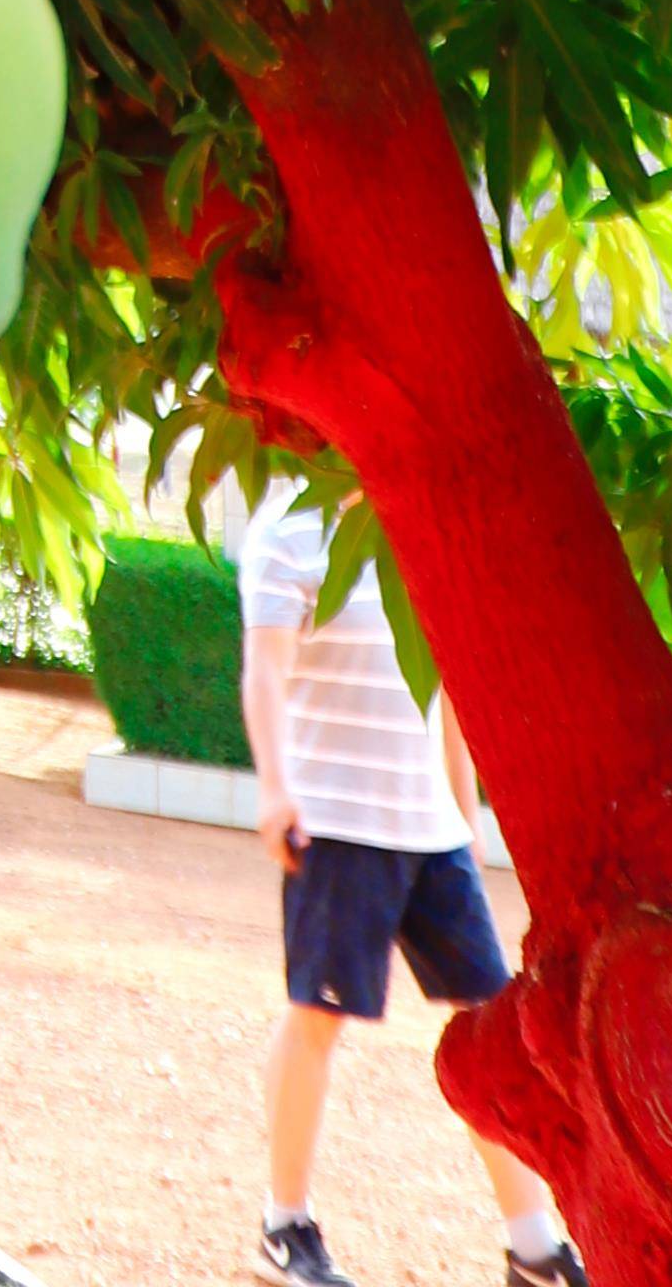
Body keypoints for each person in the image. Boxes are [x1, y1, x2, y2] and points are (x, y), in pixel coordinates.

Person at [237, 483, 581, 1285]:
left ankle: (531, 1246)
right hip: (337, 825)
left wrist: (467, 817)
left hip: (431, 833)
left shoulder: (419, 518)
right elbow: (263, 670)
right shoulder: (287, 529)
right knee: (316, 1018)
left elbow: (447, 684)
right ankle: (284, 1228)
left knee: (494, 1029)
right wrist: (273, 787)